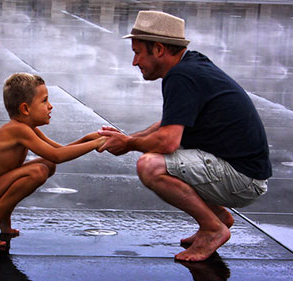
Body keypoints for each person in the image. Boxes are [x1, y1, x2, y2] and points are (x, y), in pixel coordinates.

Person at [98, 11, 272, 261]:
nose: (135, 62)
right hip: (244, 172)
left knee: (150, 165)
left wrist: (128, 145)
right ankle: (216, 217)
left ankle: (213, 229)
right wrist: (128, 137)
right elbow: (168, 123)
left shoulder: (182, 76)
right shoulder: (190, 65)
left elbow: (168, 141)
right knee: (154, 154)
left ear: (158, 49)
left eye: (138, 52)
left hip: (243, 180)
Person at [0, 72, 106, 248]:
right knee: (38, 171)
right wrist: (96, 144)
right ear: (25, 109)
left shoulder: (26, 128)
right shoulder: (18, 130)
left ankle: (2, 218)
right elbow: (57, 156)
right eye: (45, 101)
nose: (50, 106)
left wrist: (88, 139)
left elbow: (58, 151)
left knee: (47, 165)